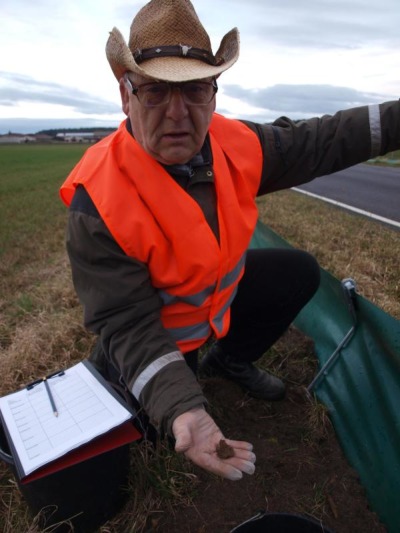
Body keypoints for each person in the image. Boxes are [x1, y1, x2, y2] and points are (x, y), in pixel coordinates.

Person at [60, 0, 400, 481]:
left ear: (213, 94)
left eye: (194, 90)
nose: (178, 114)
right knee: (157, 432)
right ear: (126, 94)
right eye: (156, 92)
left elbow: (321, 140)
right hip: (161, 338)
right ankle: (176, 385)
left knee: (296, 272)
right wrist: (182, 405)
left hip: (217, 306)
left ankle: (231, 360)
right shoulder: (98, 199)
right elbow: (125, 321)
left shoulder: (235, 144)